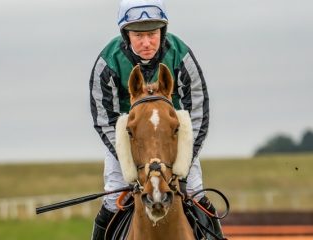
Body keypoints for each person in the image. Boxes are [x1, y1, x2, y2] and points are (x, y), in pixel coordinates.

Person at [89, 0, 224, 239]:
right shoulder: (106, 63)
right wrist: (130, 161)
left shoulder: (181, 56)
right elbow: (103, 118)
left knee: (196, 193)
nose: (146, 42)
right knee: (111, 200)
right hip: (128, 139)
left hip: (173, 137)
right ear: (126, 35)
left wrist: (183, 159)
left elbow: (198, 110)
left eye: (152, 34)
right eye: (138, 35)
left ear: (162, 32)